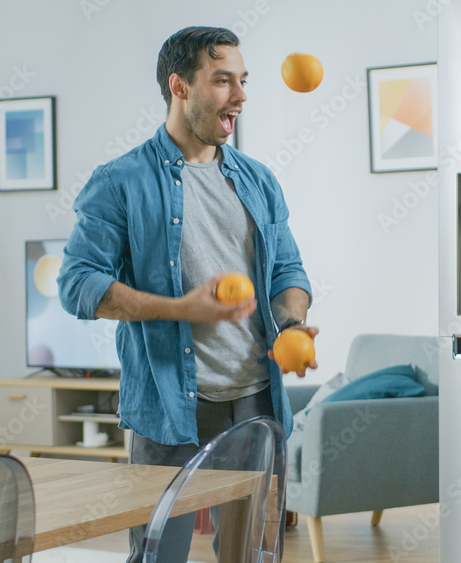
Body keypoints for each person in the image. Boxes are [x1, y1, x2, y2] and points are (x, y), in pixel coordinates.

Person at [57, 26, 316, 563]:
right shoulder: (119, 181)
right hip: (169, 402)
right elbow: (78, 285)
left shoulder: (259, 181)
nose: (240, 96)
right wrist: (180, 310)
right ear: (179, 86)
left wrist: (292, 324)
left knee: (249, 554)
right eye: (223, 81)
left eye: (242, 81)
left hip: (255, 401)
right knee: (159, 554)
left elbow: (288, 272)